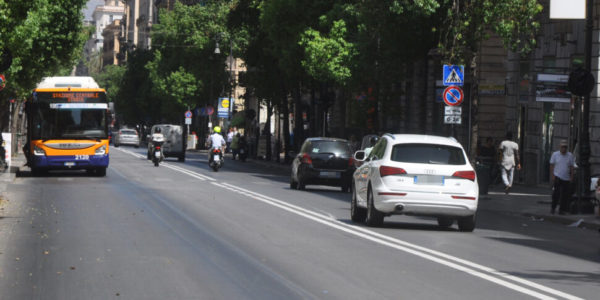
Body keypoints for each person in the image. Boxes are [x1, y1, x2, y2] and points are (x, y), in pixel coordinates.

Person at [549, 140, 575, 215]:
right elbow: (551, 165)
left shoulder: (570, 155)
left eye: (565, 147)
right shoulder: (555, 154)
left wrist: (571, 177)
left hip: (566, 178)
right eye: (562, 147)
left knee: (564, 195)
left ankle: (562, 210)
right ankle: (553, 208)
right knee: (556, 194)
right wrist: (552, 176)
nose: (564, 149)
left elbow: (571, 167)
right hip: (557, 176)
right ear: (560, 147)